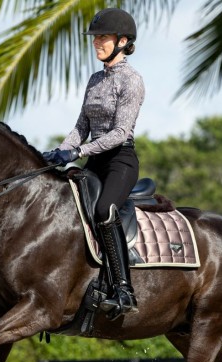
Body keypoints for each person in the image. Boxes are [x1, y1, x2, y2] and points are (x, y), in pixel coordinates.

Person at [42, 8, 144, 321]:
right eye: (95, 37)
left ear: (122, 41)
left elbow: (119, 133)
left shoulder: (132, 81)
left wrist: (76, 153)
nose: (96, 42)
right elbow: (80, 126)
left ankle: (124, 290)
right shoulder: (95, 79)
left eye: (103, 37)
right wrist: (58, 151)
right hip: (94, 159)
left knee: (103, 211)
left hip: (120, 161)